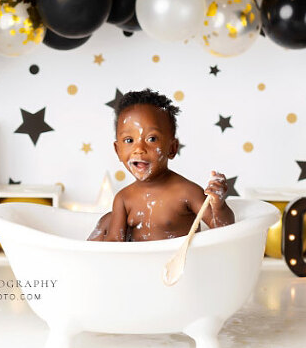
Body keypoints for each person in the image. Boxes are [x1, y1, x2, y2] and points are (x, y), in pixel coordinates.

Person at [87, 89, 234, 242]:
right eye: (129, 140)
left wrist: (219, 206)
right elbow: (114, 244)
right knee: (106, 221)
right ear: (118, 150)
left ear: (172, 148)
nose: (139, 149)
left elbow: (224, 232)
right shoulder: (123, 198)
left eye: (151, 139)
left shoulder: (187, 192)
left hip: (176, 264)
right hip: (136, 263)